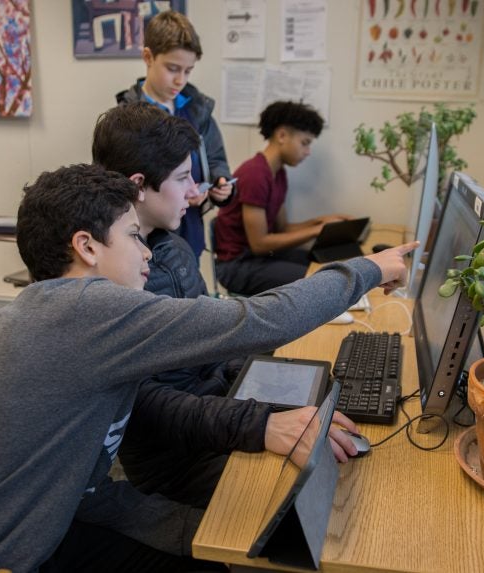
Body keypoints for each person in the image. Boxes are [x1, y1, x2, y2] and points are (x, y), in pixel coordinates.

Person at [0, 163, 417, 571]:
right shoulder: (84, 311)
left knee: (216, 546)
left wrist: (196, 533)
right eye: (134, 237)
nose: (146, 255)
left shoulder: (45, 313)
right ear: (87, 246)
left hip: (52, 517)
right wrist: (369, 269)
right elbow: (259, 320)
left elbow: (84, 486)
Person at [91, 101, 242, 504]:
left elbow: (211, 341)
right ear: (139, 185)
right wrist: (252, 423)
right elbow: (149, 406)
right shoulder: (114, 277)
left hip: (215, 411)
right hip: (176, 456)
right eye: (184, 178)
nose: (195, 192)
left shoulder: (174, 248)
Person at [116, 10, 233, 261]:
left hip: (189, 232)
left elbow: (216, 159)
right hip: (145, 241)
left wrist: (220, 184)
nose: (180, 79)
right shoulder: (128, 117)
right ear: (148, 57)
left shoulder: (197, 110)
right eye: (172, 68)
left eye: (188, 71)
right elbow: (121, 184)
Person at [214, 100, 350, 296]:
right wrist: (317, 230)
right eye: (305, 143)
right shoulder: (255, 174)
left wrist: (321, 222)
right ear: (282, 135)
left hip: (260, 257)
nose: (307, 151)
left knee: (326, 265)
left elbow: (283, 228)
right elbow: (259, 243)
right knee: (320, 280)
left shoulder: (277, 174)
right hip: (238, 266)